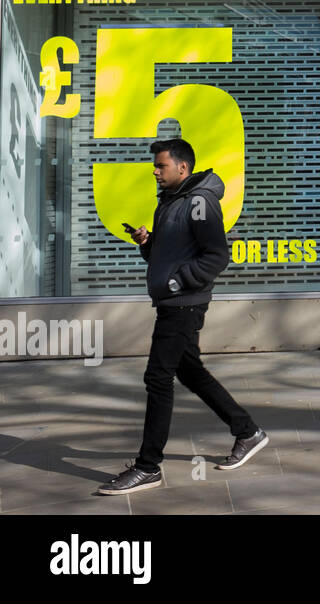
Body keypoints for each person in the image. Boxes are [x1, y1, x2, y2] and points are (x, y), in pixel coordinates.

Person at [98, 138, 268, 495]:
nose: (155, 172)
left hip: (183, 304)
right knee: (190, 372)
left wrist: (178, 282)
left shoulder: (199, 203)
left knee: (158, 378)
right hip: (174, 301)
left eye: (161, 166)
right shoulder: (171, 203)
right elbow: (167, 255)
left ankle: (148, 467)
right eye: (155, 166)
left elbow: (216, 256)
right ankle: (247, 431)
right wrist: (147, 244)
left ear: (183, 168)